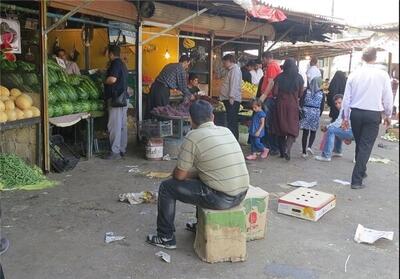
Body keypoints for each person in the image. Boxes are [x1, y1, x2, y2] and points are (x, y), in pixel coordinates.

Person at [146, 100, 249, 249]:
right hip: (242, 194)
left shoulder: (193, 136)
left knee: (166, 188)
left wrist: (184, 174)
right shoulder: (226, 130)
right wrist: (195, 174)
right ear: (212, 117)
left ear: (190, 119)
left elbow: (179, 176)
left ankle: (165, 237)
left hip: (222, 198)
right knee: (203, 178)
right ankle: (200, 225)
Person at [342, 47, 393, 189]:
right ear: (375, 58)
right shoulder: (382, 75)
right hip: (372, 114)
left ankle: (361, 171)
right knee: (365, 146)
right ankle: (356, 180)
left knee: (360, 144)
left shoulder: (354, 74)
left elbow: (346, 99)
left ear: (362, 58)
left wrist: (345, 117)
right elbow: (388, 97)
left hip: (356, 114)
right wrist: (388, 115)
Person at [272, 58, 304, 161]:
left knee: (281, 128)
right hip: (293, 105)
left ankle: (282, 152)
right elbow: (300, 93)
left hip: (281, 104)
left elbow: (275, 92)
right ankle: (288, 149)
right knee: (292, 128)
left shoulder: (279, 77)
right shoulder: (299, 78)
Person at [103, 45, 129, 160]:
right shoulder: (123, 64)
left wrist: (104, 81)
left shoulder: (115, 63)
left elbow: (112, 79)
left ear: (111, 53)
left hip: (116, 99)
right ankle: (122, 149)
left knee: (114, 126)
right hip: (124, 99)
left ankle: (115, 152)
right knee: (122, 125)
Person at [316, 94, 354, 162]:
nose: (338, 105)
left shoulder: (345, 109)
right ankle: (337, 151)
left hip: (352, 132)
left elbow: (338, 123)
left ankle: (326, 155)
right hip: (355, 131)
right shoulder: (349, 107)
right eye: (336, 103)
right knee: (335, 129)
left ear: (344, 101)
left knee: (331, 130)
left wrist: (327, 127)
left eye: (339, 103)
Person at [259, 51, 282, 156]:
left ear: (265, 58)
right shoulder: (274, 65)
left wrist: (263, 96)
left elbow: (271, 82)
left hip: (269, 98)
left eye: (262, 59)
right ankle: (271, 147)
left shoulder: (272, 66)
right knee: (269, 123)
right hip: (270, 98)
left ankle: (269, 147)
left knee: (267, 123)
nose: (262, 62)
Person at [300, 76, 325, 158]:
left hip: (306, 112)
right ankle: (309, 146)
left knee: (305, 132)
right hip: (315, 112)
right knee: (313, 131)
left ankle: (304, 152)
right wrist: (319, 114)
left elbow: (301, 102)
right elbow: (322, 106)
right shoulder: (322, 94)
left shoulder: (306, 91)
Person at [220, 54, 242, 140]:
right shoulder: (230, 70)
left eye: (224, 62)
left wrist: (231, 97)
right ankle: (232, 139)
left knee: (232, 121)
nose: (223, 64)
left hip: (232, 100)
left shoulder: (235, 70)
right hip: (229, 99)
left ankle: (234, 140)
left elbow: (234, 84)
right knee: (230, 120)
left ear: (229, 61)